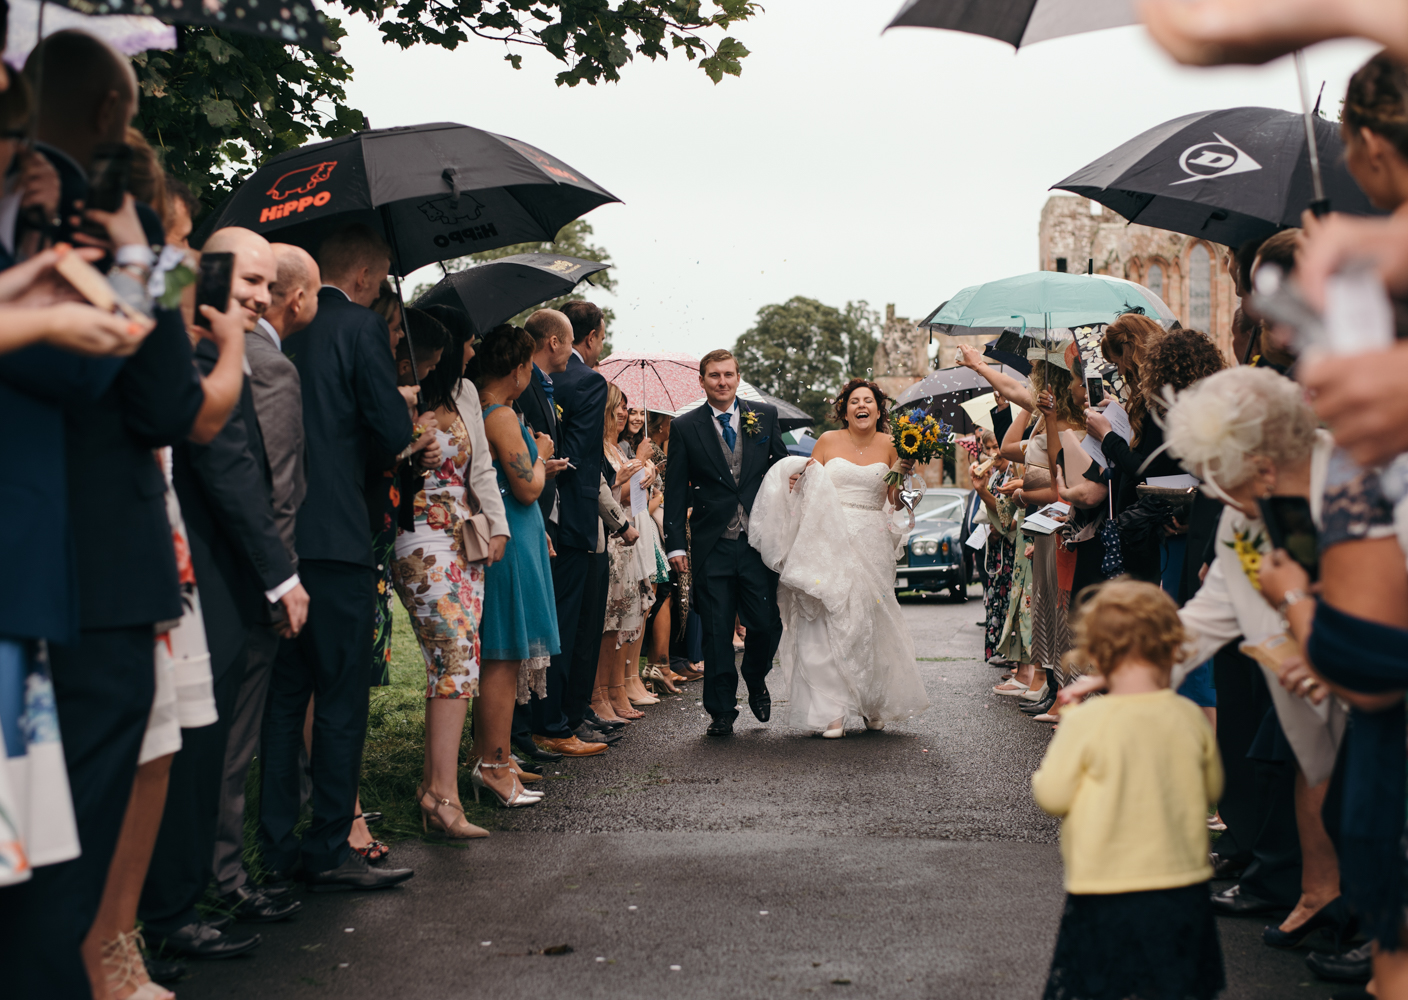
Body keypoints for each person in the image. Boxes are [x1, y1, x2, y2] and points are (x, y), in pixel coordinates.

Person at [3, 32, 243, 994]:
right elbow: (167, 401)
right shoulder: (94, 209)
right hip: (86, 561)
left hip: (58, 557)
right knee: (55, 866)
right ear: (110, 114)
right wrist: (164, 269)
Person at [139, 230, 309, 959]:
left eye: (267, 284)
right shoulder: (203, 351)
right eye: (247, 278)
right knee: (190, 750)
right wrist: (281, 572)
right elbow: (237, 469)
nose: (259, 296)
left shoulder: (208, 344)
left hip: (205, 571)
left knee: (199, 750)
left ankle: (180, 900)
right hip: (196, 575)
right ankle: (172, 910)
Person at [259, 223, 424, 892]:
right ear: (362, 280)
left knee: (281, 702)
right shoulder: (357, 328)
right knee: (341, 701)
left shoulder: (272, 329)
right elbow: (387, 437)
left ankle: (273, 851)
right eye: (381, 280)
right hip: (338, 537)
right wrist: (401, 415)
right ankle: (330, 846)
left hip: (276, 537)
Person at [1033, 580, 1225, 1000]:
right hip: (1182, 886)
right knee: (1174, 985)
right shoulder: (1189, 718)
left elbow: (1052, 796)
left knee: (1100, 985)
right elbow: (1211, 786)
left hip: (1105, 884)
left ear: (1096, 655)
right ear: (1173, 648)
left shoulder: (1088, 720)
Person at [210, 242, 316, 920]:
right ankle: (223, 877)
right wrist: (279, 582)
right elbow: (276, 486)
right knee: (232, 740)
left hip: (220, 574)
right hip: (250, 582)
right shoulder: (267, 364)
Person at [749, 378, 929, 737]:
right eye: (854, 401)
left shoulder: (894, 445)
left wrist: (906, 476)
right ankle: (831, 710)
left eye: (869, 401)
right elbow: (807, 486)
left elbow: (894, 501)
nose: (861, 406)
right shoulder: (828, 441)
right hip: (827, 537)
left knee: (869, 619)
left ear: (879, 409)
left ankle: (871, 701)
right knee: (826, 616)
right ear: (844, 409)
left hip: (872, 539)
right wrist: (793, 484)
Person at [663, 349, 789, 737]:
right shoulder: (684, 427)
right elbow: (674, 491)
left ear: (738, 377)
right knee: (717, 632)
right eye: (714, 375)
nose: (722, 381)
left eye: (729, 374)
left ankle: (755, 675)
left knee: (767, 624)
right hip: (712, 544)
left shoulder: (763, 415)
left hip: (757, 543)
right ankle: (721, 710)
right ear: (701, 381)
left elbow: (780, 469)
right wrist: (675, 546)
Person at [533, 300, 633, 755]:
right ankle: (562, 722)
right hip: (576, 519)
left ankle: (565, 717)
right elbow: (583, 458)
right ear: (589, 337)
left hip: (546, 510)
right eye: (601, 336)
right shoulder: (589, 382)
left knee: (560, 624)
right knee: (576, 627)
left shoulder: (544, 378)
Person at [470, 323, 562, 806]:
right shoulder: (500, 414)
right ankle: (494, 764)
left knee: (503, 656)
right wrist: (543, 455)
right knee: (502, 657)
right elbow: (527, 486)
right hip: (509, 538)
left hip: (517, 531)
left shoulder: (486, 410)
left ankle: (496, 759)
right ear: (519, 368)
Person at [597, 385, 660, 724]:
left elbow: (629, 496)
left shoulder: (616, 448)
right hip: (613, 540)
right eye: (618, 408)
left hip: (630, 538)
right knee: (611, 622)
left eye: (626, 408)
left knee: (625, 619)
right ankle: (604, 694)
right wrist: (627, 478)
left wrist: (644, 475)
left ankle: (616, 688)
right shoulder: (602, 449)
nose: (624, 414)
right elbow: (614, 495)